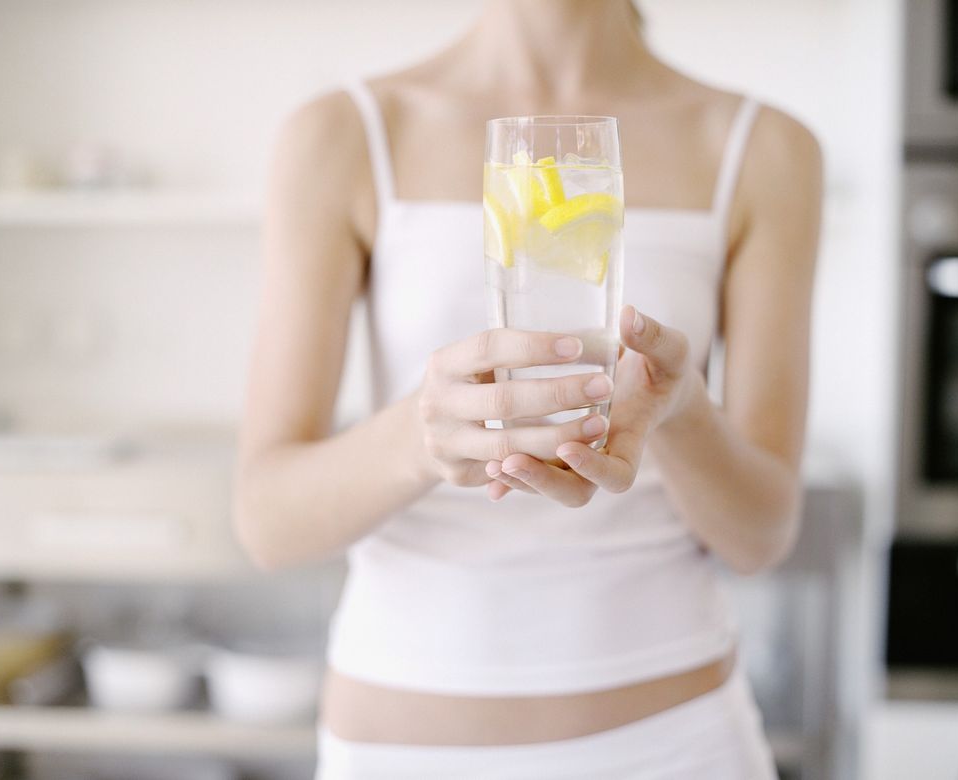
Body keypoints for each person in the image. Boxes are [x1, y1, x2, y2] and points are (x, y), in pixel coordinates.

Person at [234, 0, 822, 777]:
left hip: (673, 745)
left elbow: (762, 536)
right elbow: (268, 522)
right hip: (401, 746)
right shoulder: (343, 134)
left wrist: (681, 412)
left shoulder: (764, 148)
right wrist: (421, 437)